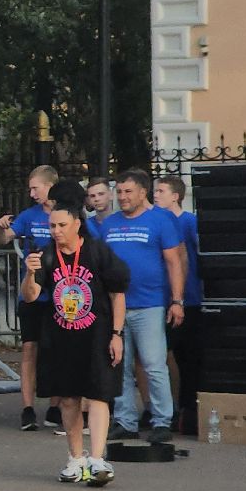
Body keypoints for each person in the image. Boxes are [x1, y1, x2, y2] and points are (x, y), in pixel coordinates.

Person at [22, 181, 128, 486]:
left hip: (96, 334)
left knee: (98, 395)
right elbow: (30, 296)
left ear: (77, 225)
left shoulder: (97, 252)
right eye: (52, 225)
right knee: (67, 399)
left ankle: (97, 459)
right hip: (61, 336)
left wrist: (117, 333)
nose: (55, 230)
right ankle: (75, 458)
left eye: (62, 225)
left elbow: (117, 292)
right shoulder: (45, 255)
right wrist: (30, 273)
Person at [96, 170, 186, 445]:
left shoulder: (160, 220)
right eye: (120, 192)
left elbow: (174, 262)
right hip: (116, 306)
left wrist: (177, 300)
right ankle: (125, 421)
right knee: (118, 365)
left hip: (149, 305)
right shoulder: (109, 224)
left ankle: (161, 421)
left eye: (128, 192)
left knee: (154, 364)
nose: (123, 197)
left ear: (142, 193)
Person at [0, 165, 60, 431]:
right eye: (30, 188)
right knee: (30, 348)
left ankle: (55, 406)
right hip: (32, 292)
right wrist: (0, 228)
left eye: (36, 188)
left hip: (59, 292)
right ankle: (28, 408)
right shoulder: (29, 216)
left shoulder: (65, 213)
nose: (32, 193)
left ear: (50, 185)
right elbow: (2, 239)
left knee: (55, 351)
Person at [155, 174, 206, 433]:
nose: (156, 195)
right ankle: (168, 407)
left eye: (161, 191)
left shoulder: (188, 221)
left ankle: (187, 410)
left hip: (190, 299)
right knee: (162, 356)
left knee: (187, 358)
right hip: (161, 299)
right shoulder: (157, 222)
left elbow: (197, 256)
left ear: (176, 196)